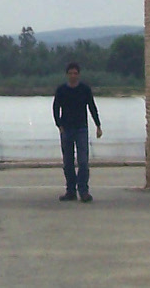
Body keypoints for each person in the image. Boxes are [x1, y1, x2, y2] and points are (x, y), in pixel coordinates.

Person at [53, 62, 102, 202]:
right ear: (67, 75)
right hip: (66, 129)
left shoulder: (84, 89)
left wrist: (98, 125)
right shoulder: (62, 90)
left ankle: (84, 191)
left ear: (78, 75)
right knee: (68, 162)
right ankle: (70, 191)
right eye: (71, 73)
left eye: (75, 73)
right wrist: (59, 125)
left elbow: (92, 107)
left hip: (81, 128)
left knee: (83, 161)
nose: (73, 76)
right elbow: (56, 108)